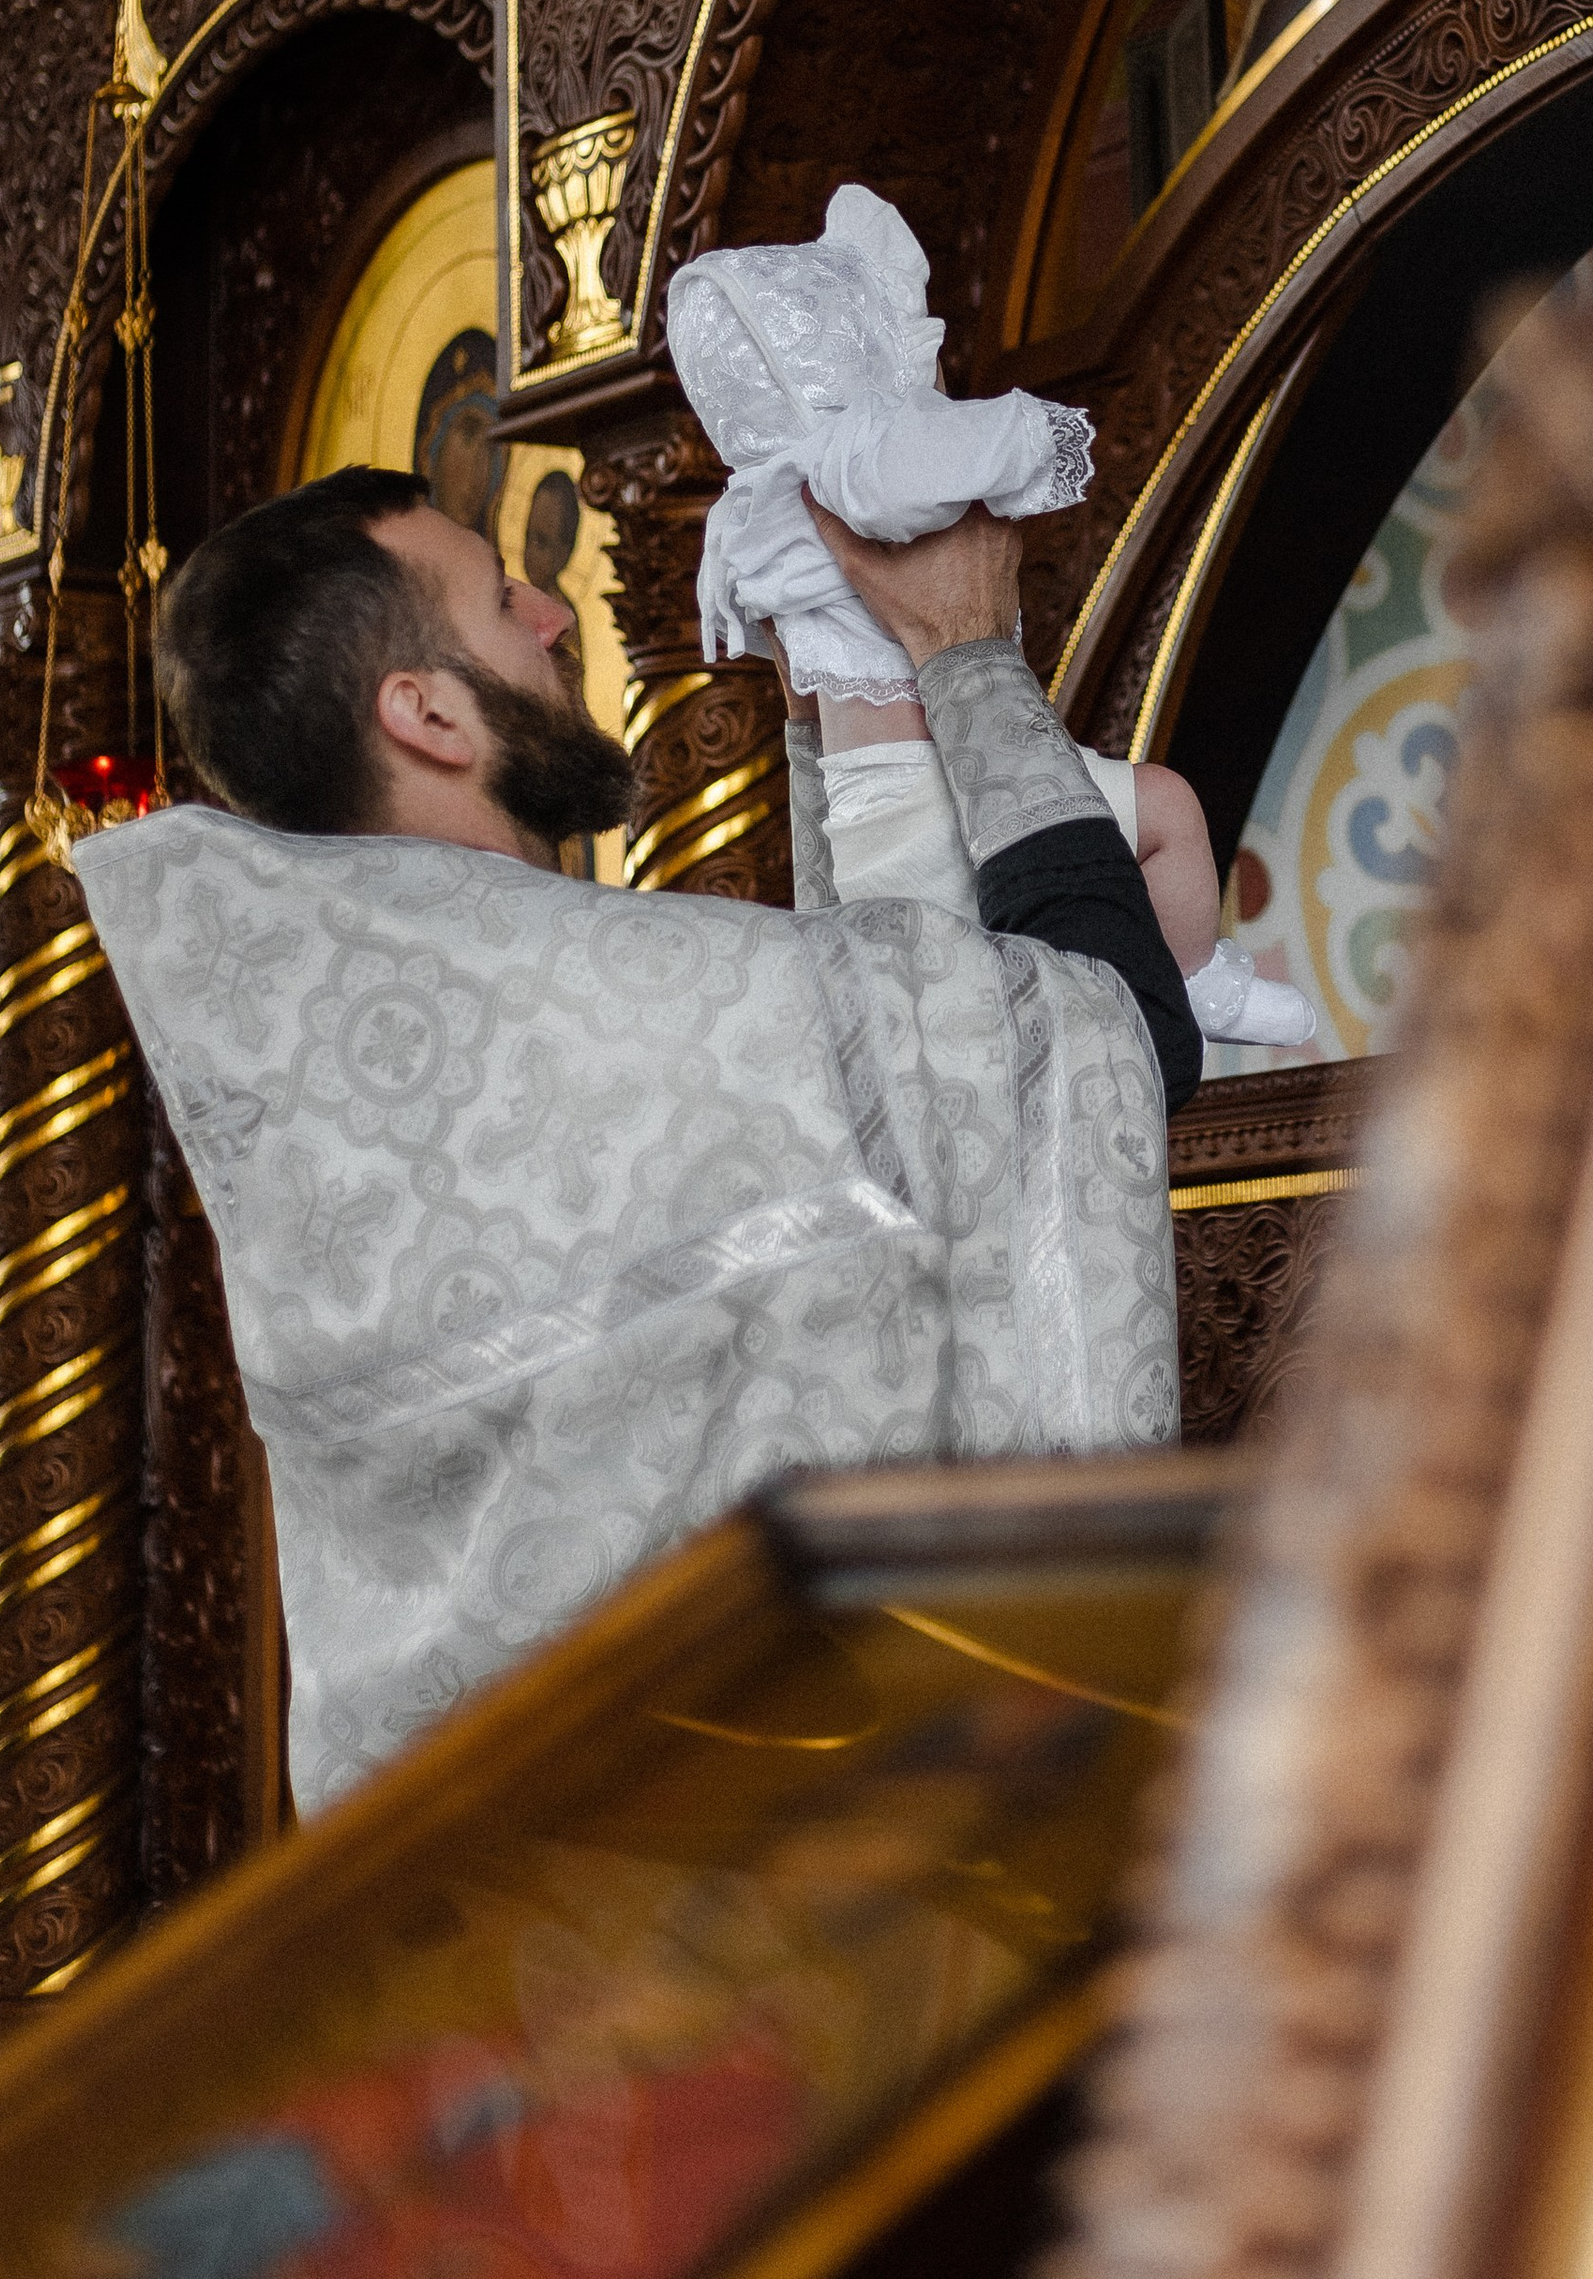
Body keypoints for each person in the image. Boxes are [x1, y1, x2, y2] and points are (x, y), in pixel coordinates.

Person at [82, 469, 1201, 1810]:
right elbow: (1105, 1037)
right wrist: (963, 654)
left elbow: (886, 1067)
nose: (552, 613)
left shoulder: (332, 1072)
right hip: (769, 1905)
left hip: (474, 1888)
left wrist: (840, 717)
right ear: (425, 712)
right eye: (502, 598)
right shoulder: (623, 1011)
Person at [668, 185, 1311, 1057]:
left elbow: (746, 616)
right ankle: (1193, 978)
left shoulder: (751, 505)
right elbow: (937, 464)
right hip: (935, 794)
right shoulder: (853, 460)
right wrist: (1031, 438)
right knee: (1169, 806)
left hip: (866, 811)